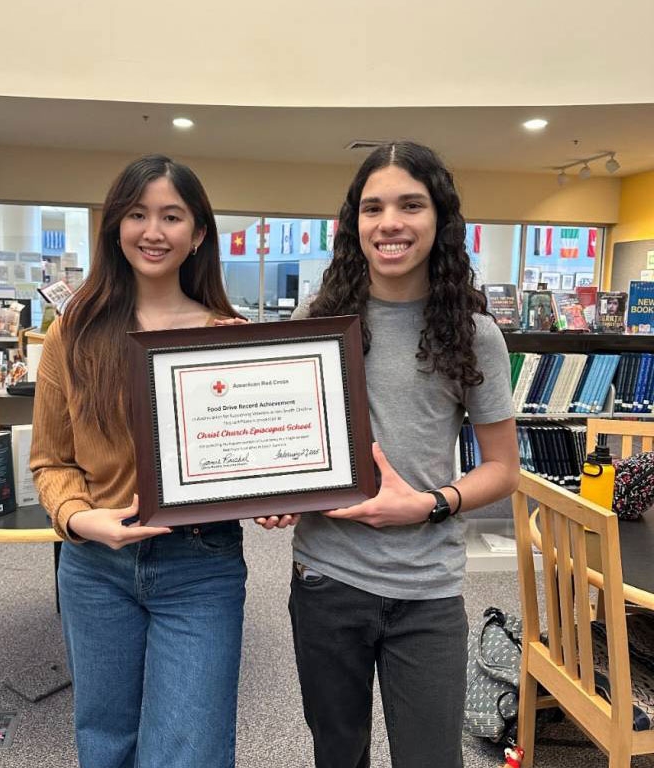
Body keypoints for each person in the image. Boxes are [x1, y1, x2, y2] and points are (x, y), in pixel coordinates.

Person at [283, 141, 521, 768]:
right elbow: (287, 437)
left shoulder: (474, 333)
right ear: (353, 224)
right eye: (372, 207)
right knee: (339, 756)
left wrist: (428, 505)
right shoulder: (318, 319)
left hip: (428, 590)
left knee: (431, 759)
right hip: (327, 578)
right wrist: (275, 491)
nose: (389, 223)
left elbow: (504, 468)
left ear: (439, 218)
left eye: (410, 205)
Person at [30, 155, 247, 768]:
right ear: (115, 227)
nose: (153, 231)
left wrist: (275, 496)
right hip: (96, 567)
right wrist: (78, 518)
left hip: (200, 564)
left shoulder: (230, 337)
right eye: (137, 214)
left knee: (190, 752)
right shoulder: (72, 332)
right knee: (106, 745)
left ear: (198, 232)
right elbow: (50, 460)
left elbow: (248, 456)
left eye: (172, 216)